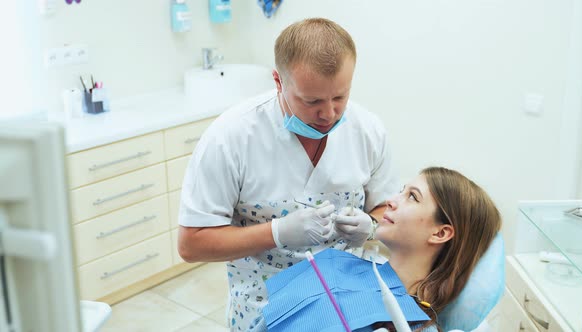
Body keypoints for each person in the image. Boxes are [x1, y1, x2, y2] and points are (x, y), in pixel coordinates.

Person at [177, 17, 398, 331]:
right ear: (278, 81)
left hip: (348, 302)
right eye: (312, 101)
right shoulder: (231, 138)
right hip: (265, 311)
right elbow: (191, 244)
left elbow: (388, 206)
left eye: (340, 97)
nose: (329, 114)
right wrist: (276, 233)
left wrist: (371, 225)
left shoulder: (368, 130)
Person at [258, 166, 503, 332]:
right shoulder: (342, 265)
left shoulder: (412, 324)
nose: (391, 201)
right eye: (401, 191)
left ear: (440, 233)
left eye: (412, 197)